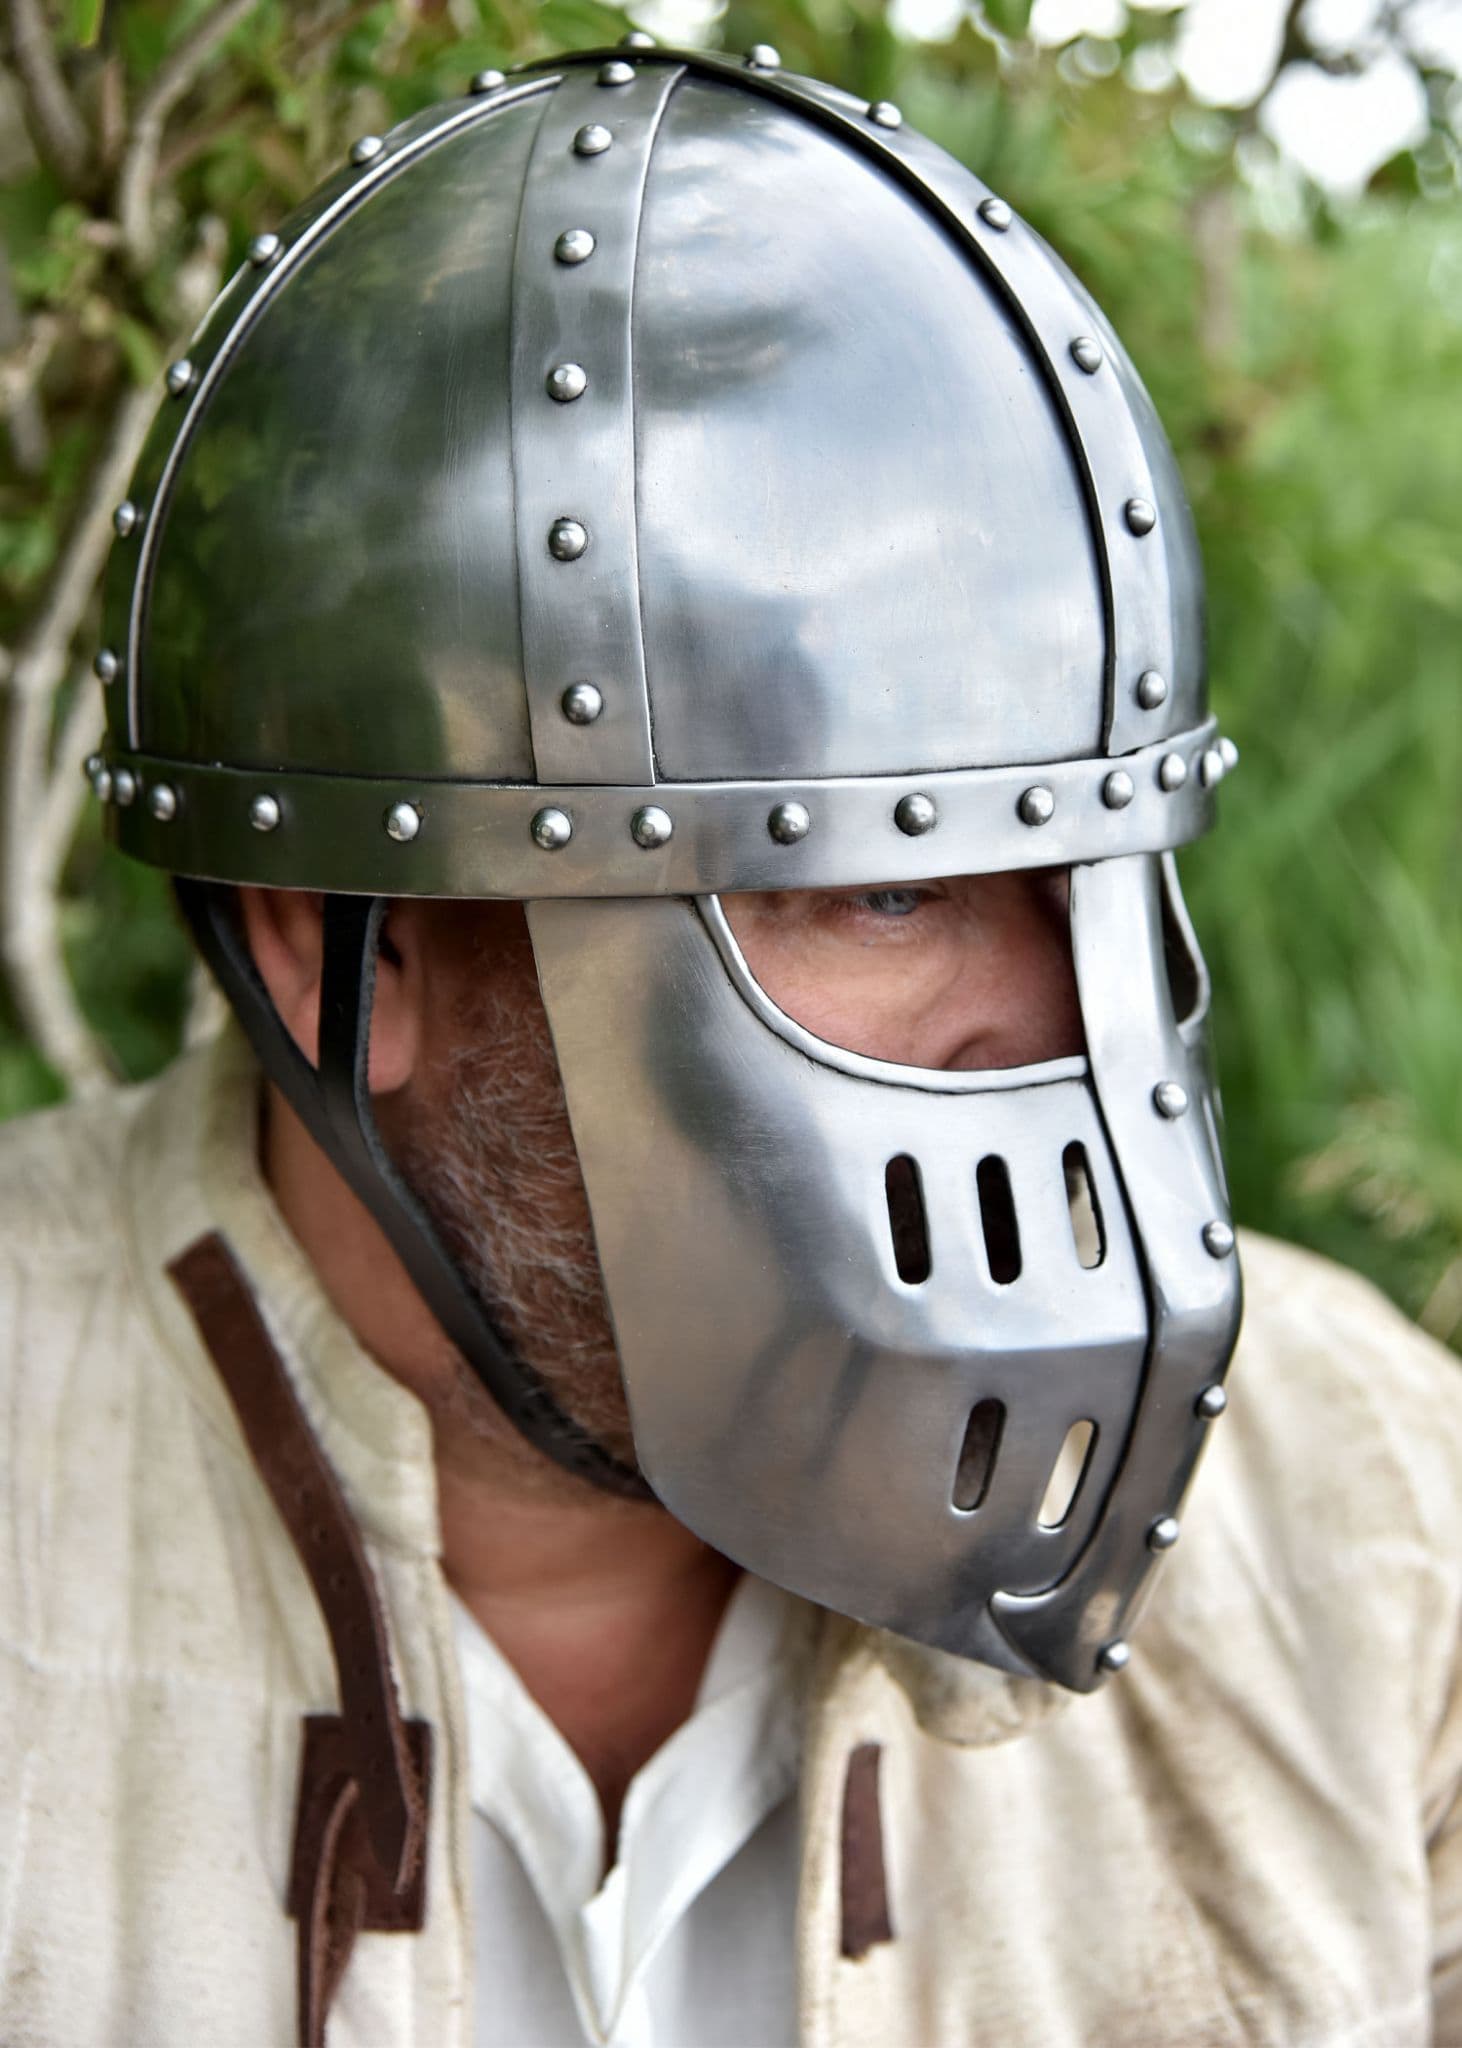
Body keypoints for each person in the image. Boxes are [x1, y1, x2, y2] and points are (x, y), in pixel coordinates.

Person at [2, 38, 1460, 2048]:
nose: (1047, 1036)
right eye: (880, 894)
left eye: (1095, 884)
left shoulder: (1371, 1525)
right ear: (345, 947)